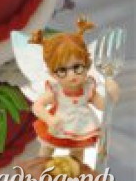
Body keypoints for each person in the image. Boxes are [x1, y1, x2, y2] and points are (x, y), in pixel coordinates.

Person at [30, 17, 120, 162]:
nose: (71, 75)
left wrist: (113, 94)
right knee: (47, 148)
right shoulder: (55, 90)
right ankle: (39, 169)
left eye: (77, 67)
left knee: (77, 153)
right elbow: (37, 106)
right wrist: (49, 119)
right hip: (58, 124)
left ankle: (77, 171)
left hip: (81, 126)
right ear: (52, 73)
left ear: (87, 65)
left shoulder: (88, 87)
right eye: (62, 70)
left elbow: (103, 106)